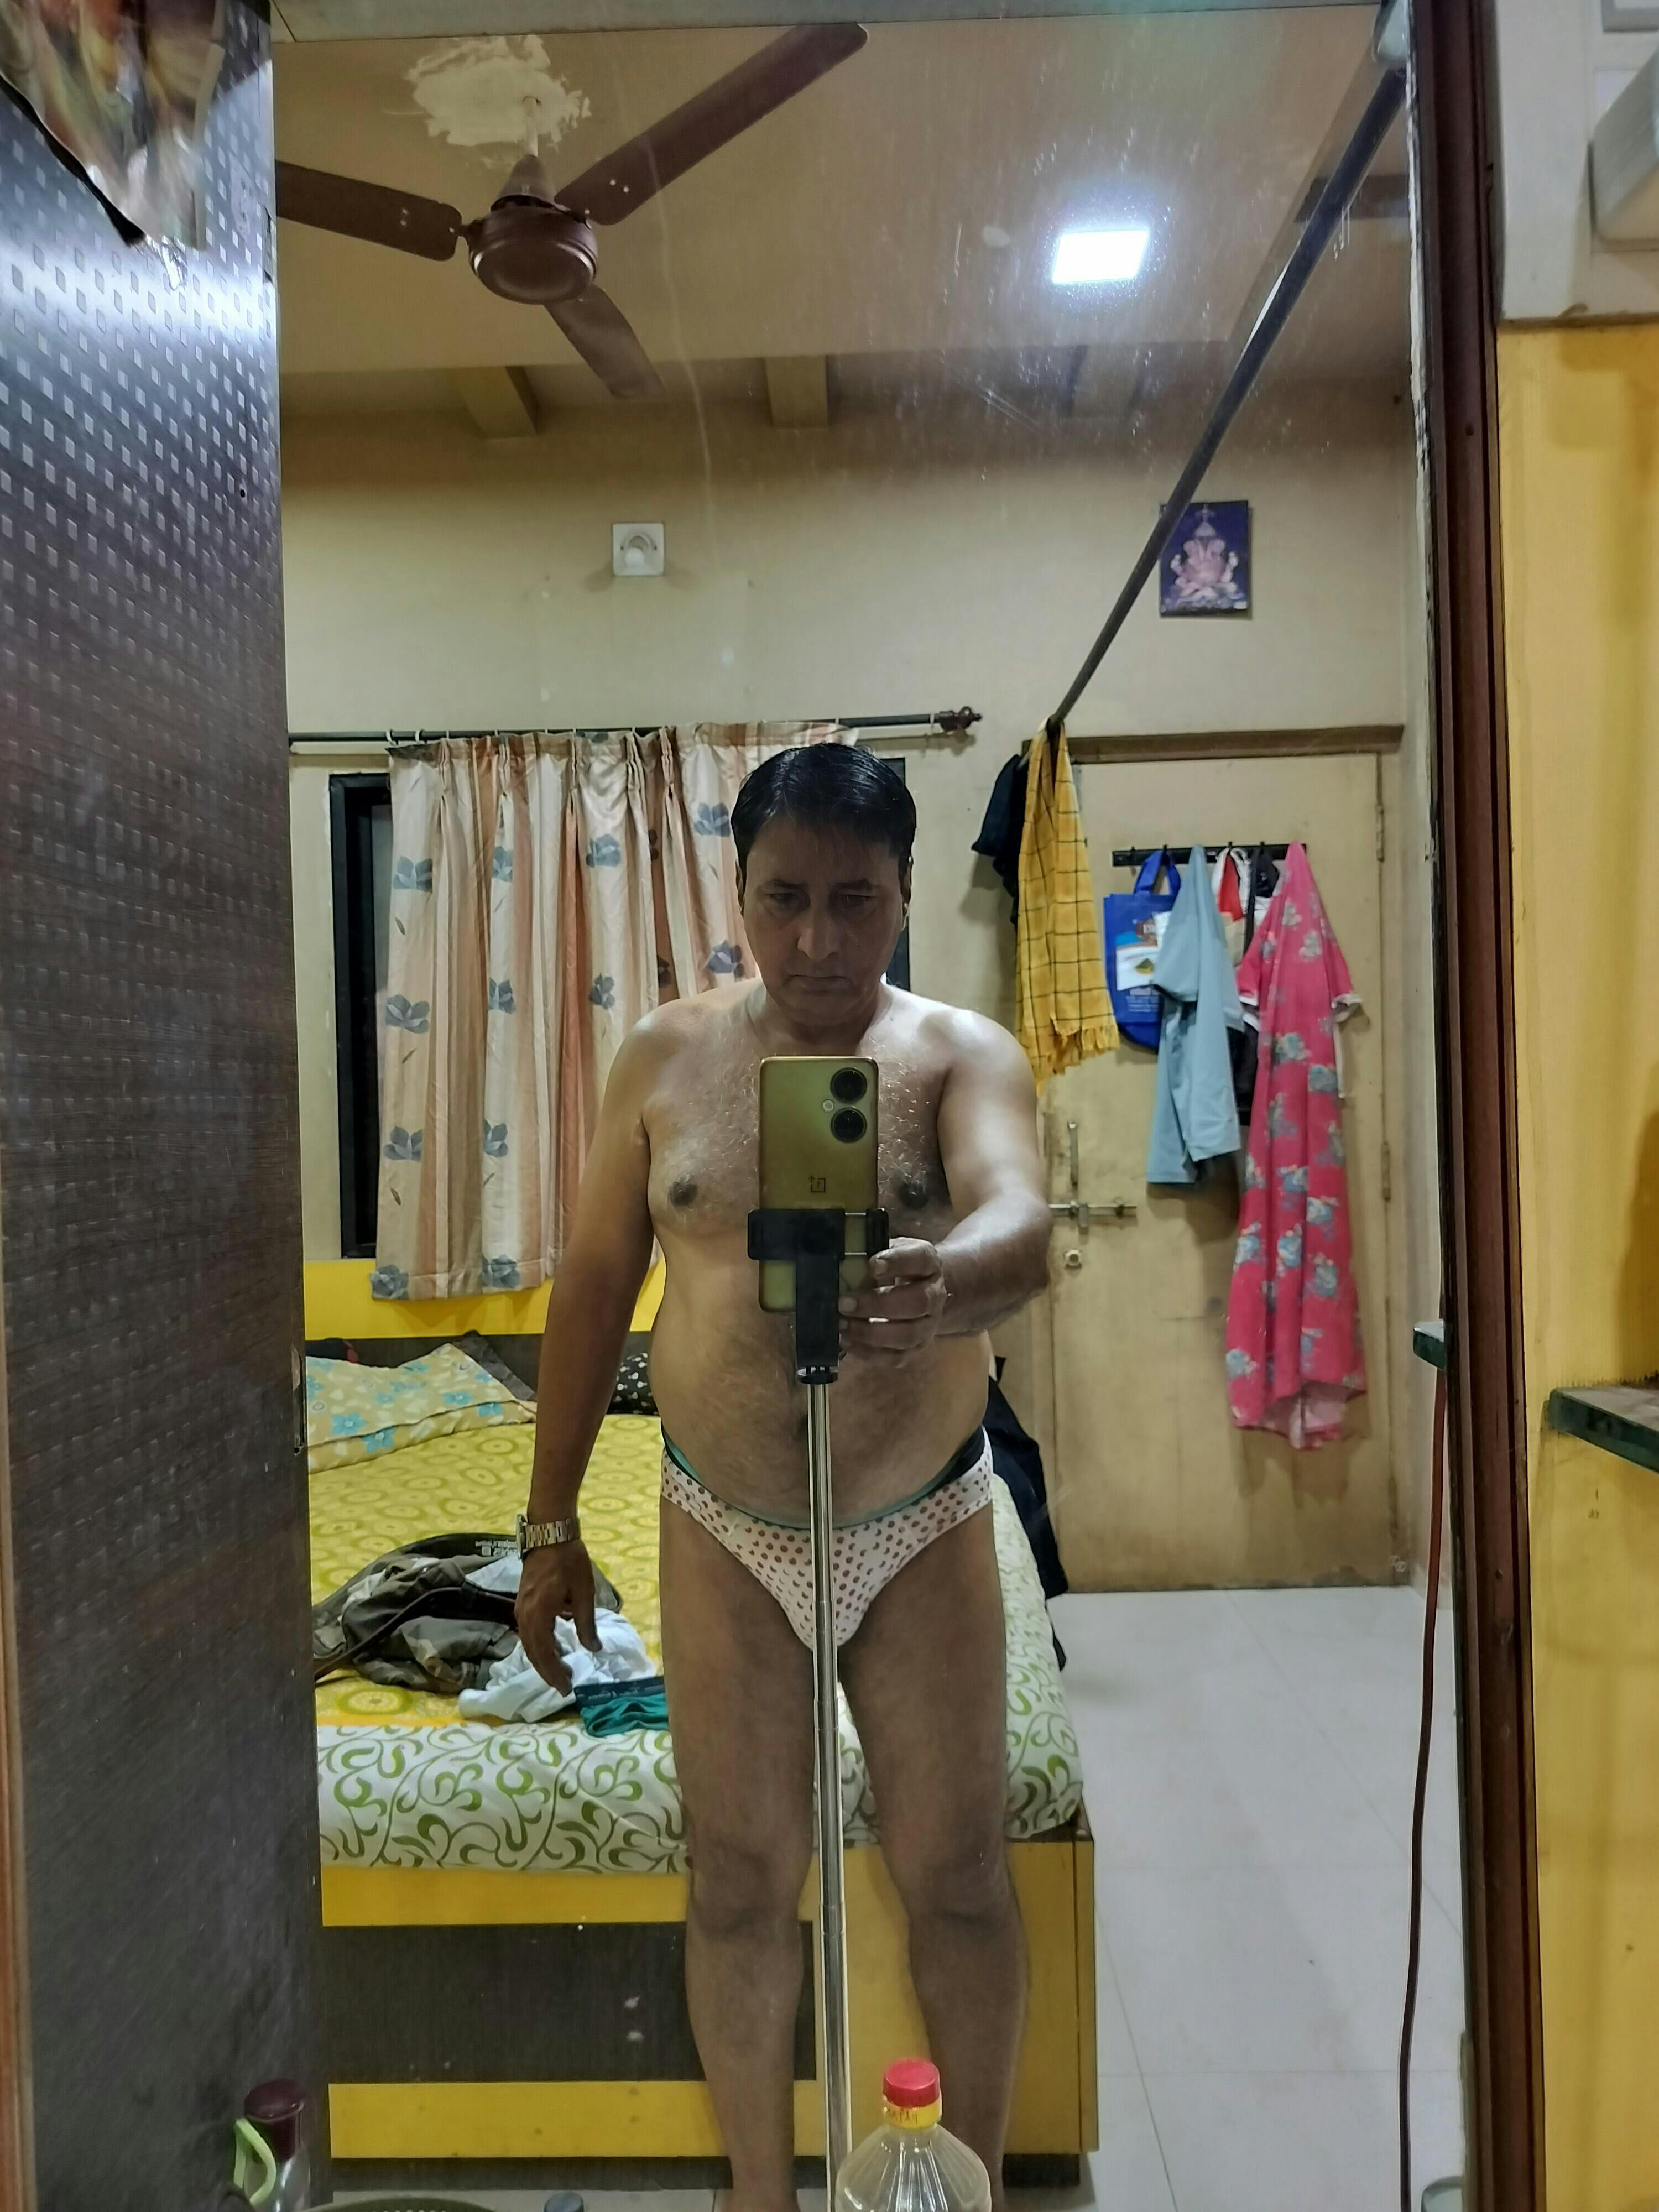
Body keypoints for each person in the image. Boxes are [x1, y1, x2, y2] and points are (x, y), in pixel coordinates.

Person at [517, 744, 1052, 2212]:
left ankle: (968, 2185)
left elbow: (1021, 1219)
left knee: (957, 1876)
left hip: (921, 1515)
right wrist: (548, 1525)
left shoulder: (960, 1054)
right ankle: (761, 2193)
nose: (818, 941)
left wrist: (944, 1280)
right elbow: (591, 1292)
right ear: (739, 893)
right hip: (723, 1520)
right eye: (785, 898)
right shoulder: (665, 1061)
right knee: (741, 1881)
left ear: (904, 895)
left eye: (856, 900)